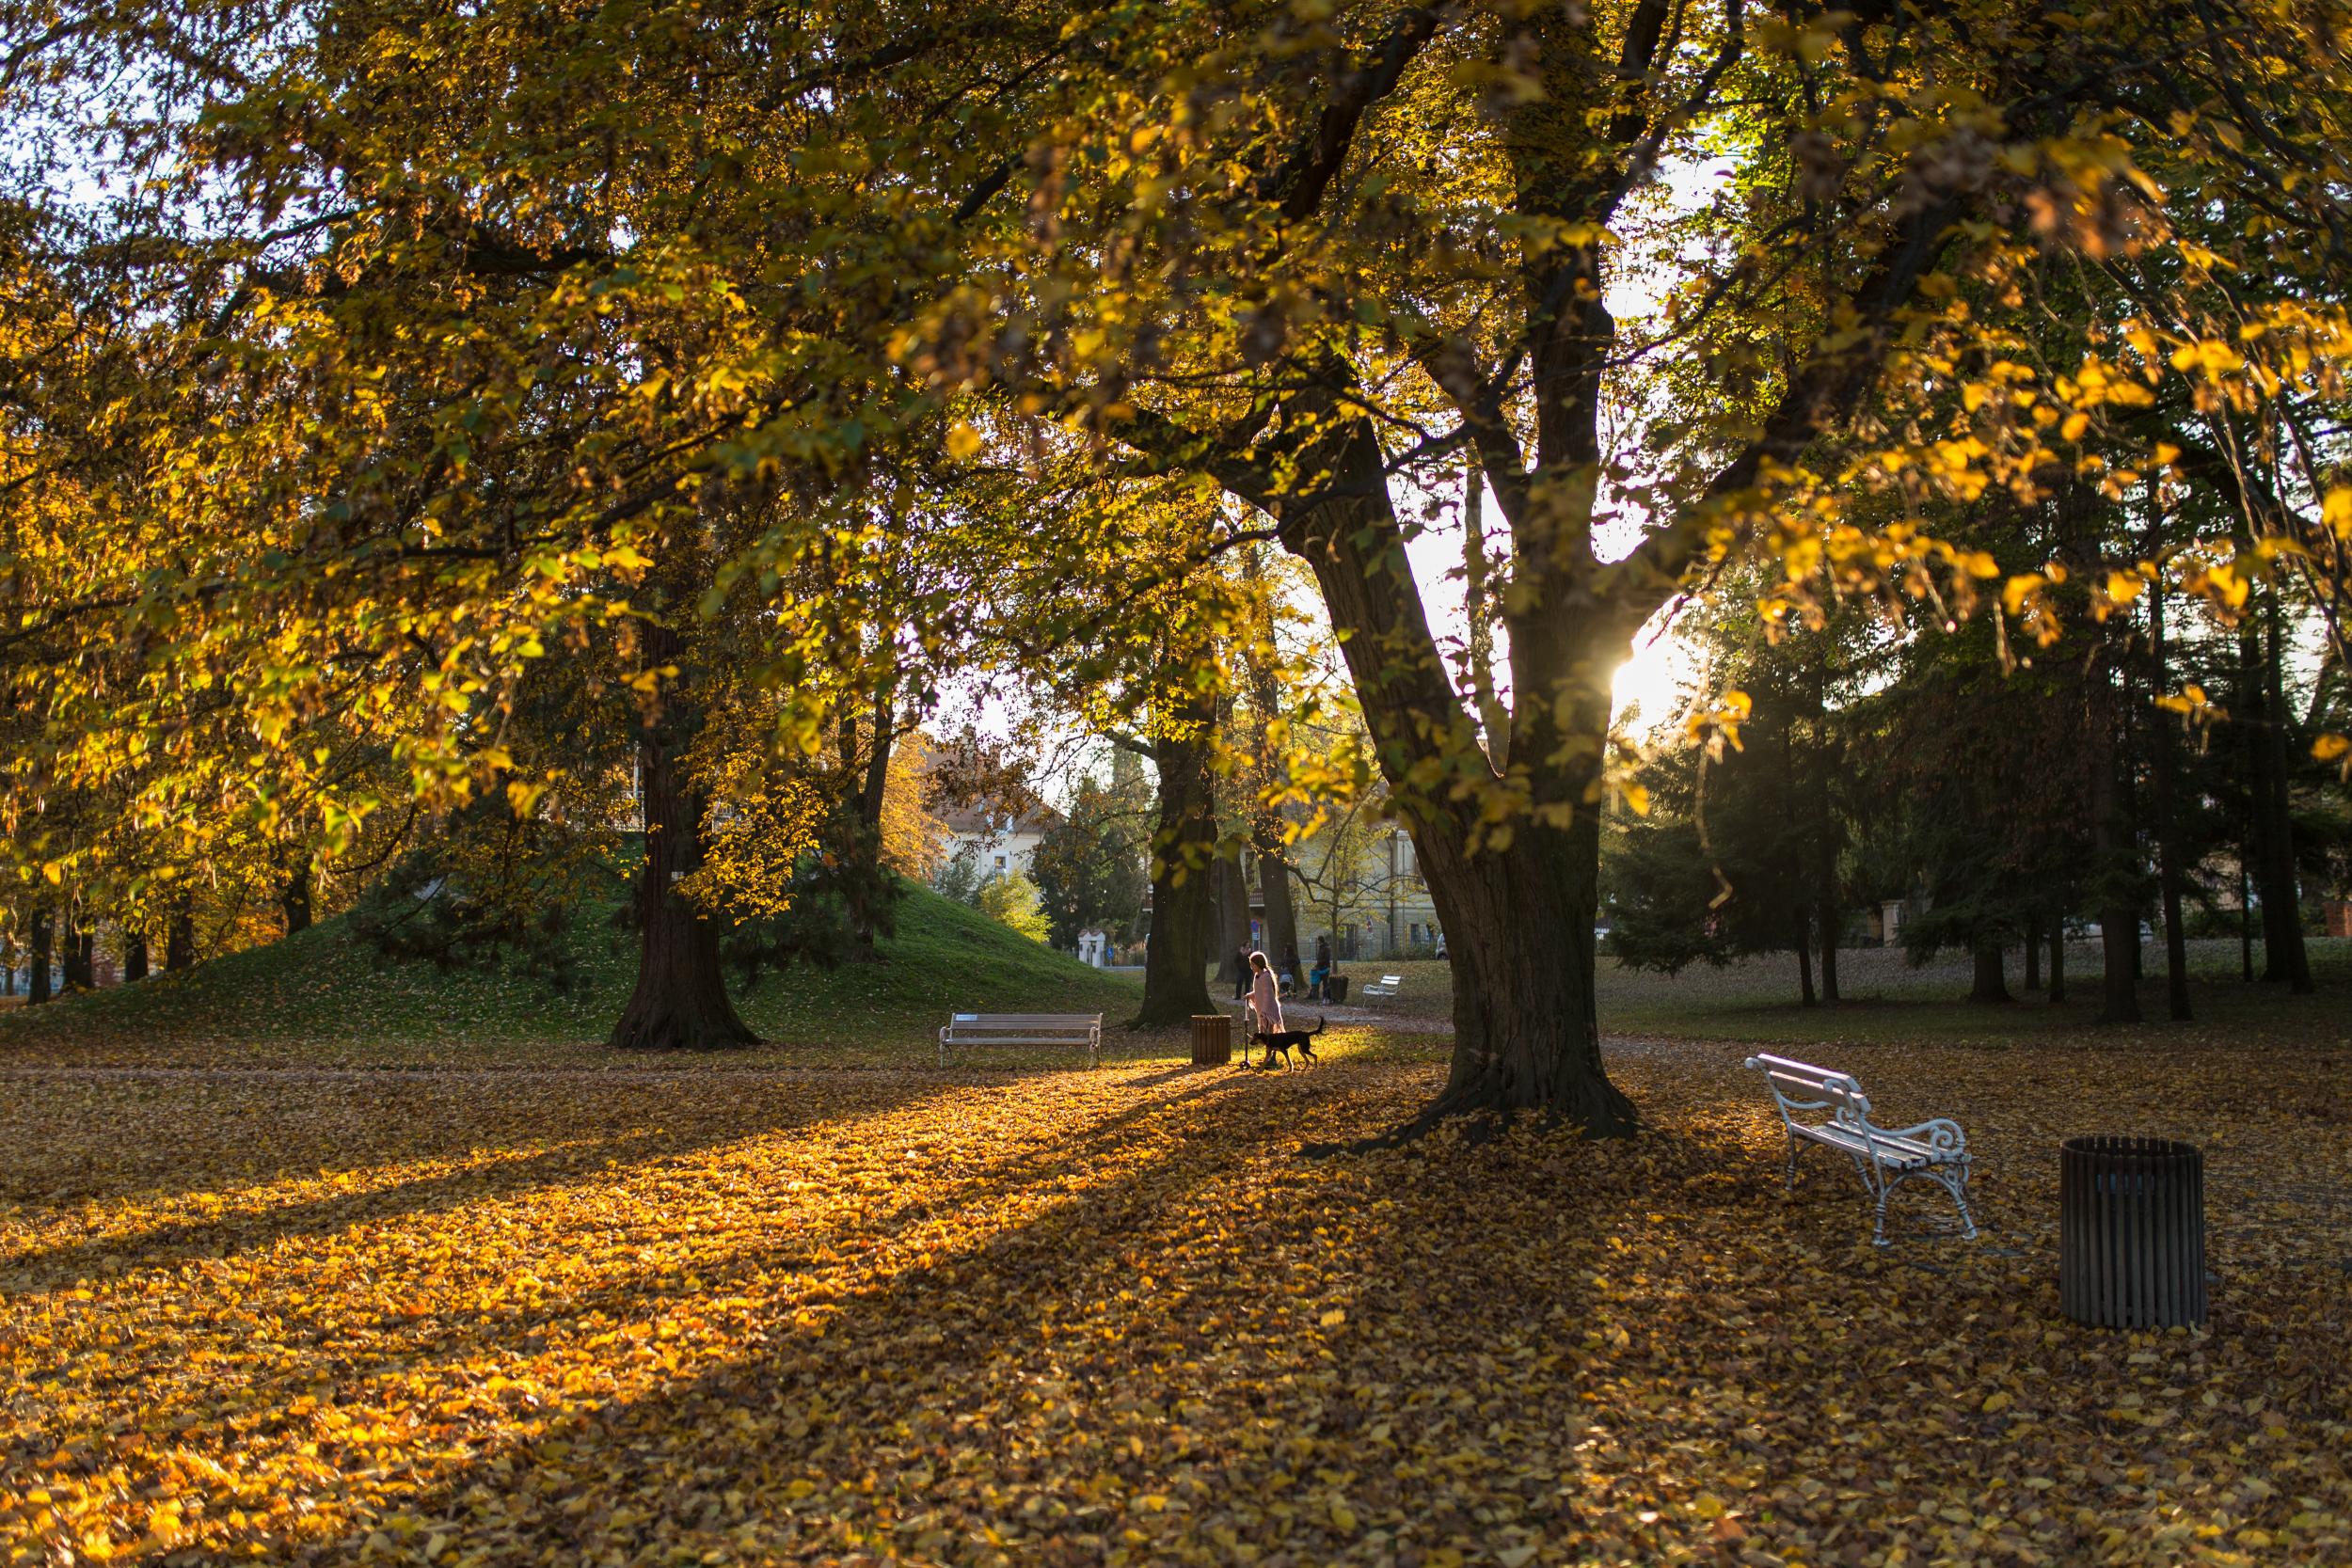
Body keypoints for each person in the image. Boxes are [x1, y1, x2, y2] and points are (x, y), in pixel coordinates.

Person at [1247, 949, 1284, 1039]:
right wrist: (1250, 995)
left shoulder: (1265, 976)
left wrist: (1264, 1011)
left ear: (1258, 964)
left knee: (1270, 1033)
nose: (1251, 967)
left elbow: (1268, 995)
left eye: (1253, 965)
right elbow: (1259, 991)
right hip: (1262, 1010)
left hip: (1268, 1010)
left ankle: (1271, 1050)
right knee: (1265, 1032)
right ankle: (1270, 1050)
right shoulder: (1257, 976)